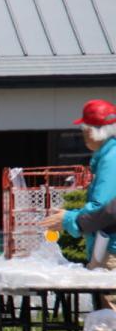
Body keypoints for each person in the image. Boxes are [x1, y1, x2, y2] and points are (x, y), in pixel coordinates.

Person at [43, 100, 116, 268]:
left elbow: (103, 208)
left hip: (110, 251)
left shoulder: (111, 158)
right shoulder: (109, 155)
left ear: (90, 131)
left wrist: (68, 219)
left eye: (83, 130)